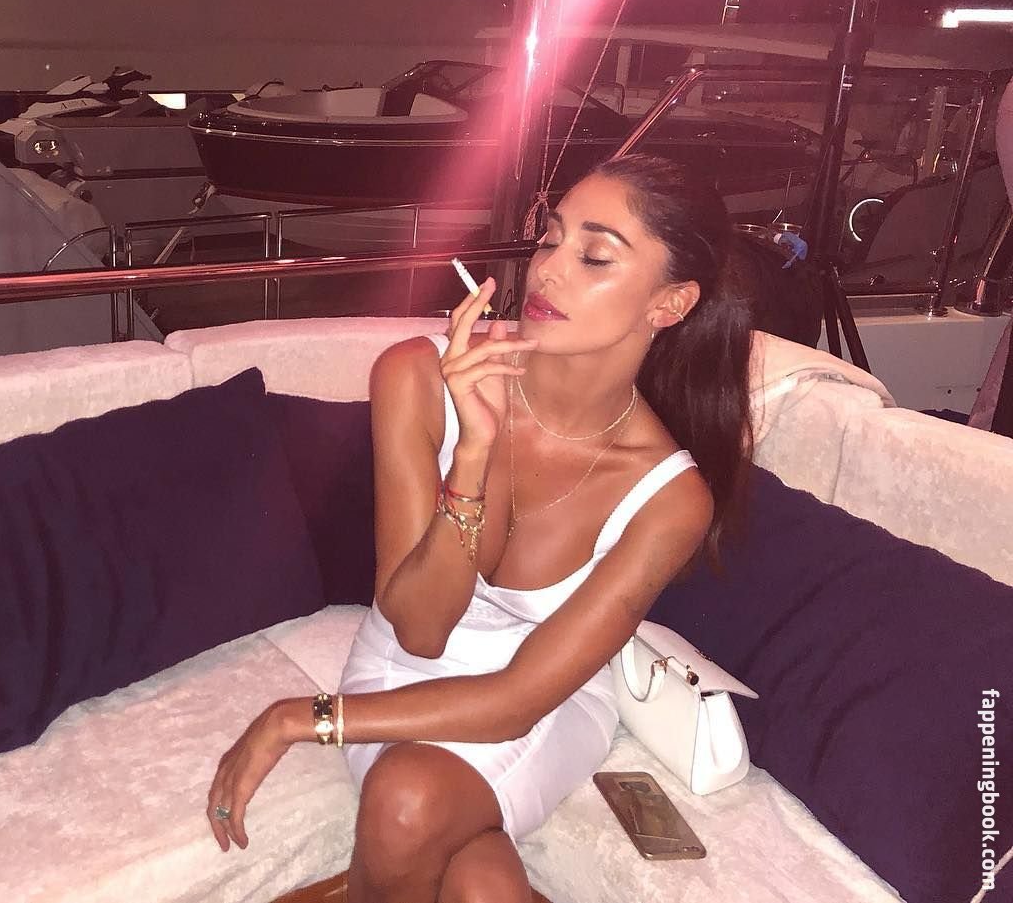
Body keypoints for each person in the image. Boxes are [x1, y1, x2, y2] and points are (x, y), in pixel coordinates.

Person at [206, 155, 755, 902]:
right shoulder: (416, 375)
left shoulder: (671, 498)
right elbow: (420, 629)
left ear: (670, 302)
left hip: (543, 703)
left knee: (408, 798)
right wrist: (475, 449)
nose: (548, 270)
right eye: (549, 239)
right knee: (483, 888)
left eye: (594, 255)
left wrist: (297, 718)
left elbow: (518, 700)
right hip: (401, 666)